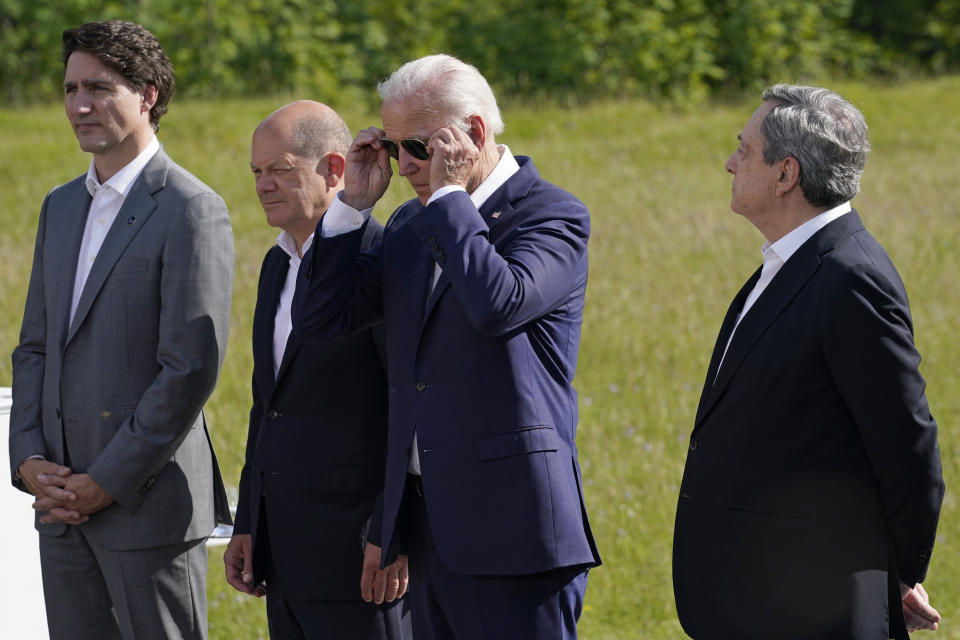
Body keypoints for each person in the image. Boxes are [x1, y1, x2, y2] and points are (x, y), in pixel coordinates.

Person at [292, 54, 601, 640]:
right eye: (391, 148)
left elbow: (498, 304)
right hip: (429, 534)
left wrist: (452, 196)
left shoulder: (551, 214)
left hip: (514, 532)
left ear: (473, 135)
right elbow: (319, 319)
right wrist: (352, 208)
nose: (404, 165)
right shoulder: (411, 224)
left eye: (416, 146)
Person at [672, 84, 944, 639]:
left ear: (785, 174)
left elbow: (907, 446)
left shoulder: (850, 277)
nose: (729, 163)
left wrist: (897, 572)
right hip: (755, 599)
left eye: (743, 151)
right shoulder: (788, 265)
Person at [8, 20, 233, 640]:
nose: (80, 105)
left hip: (147, 512)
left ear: (148, 95)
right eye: (71, 88)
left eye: (100, 88)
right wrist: (28, 458)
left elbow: (190, 369)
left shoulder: (192, 208)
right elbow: (33, 346)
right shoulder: (59, 206)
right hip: (57, 510)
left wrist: (105, 482)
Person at [223, 100, 411, 639]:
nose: (263, 185)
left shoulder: (381, 259)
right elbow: (269, 405)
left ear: (334, 170)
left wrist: (393, 535)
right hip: (282, 558)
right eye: (257, 173)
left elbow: (405, 408)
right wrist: (248, 522)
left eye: (279, 170)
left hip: (362, 563)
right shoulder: (276, 262)